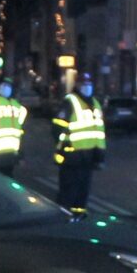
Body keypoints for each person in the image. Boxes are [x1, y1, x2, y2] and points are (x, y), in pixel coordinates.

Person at [52, 75, 106, 214]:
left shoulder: (95, 103)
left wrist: (99, 156)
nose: (87, 86)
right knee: (68, 191)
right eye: (84, 83)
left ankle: (79, 218)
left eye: (89, 83)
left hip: (88, 157)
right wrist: (63, 149)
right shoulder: (70, 101)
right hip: (72, 155)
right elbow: (58, 128)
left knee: (83, 193)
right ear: (78, 85)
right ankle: (62, 220)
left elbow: (99, 133)